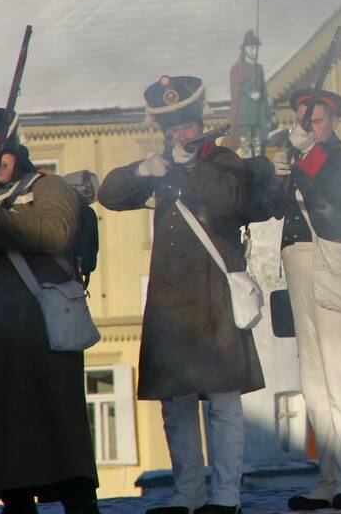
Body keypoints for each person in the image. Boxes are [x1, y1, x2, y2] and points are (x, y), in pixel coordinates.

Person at [98, 75, 264, 514]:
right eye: (171, 129)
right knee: (176, 404)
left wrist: (192, 166)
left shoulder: (224, 160)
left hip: (214, 295)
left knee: (224, 401)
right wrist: (142, 170)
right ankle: (188, 492)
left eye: (185, 127)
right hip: (171, 300)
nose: (179, 135)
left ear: (198, 122)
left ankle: (226, 494)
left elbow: (229, 202)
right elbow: (109, 196)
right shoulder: (163, 164)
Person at [0, 107, 99, 513]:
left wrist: (3, 222)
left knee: (61, 441)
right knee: (8, 450)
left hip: (43, 333)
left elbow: (55, 234)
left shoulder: (49, 188)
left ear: (15, 150)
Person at [272, 88, 341, 511]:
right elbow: (270, 209)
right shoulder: (296, 161)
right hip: (297, 264)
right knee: (314, 382)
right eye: (301, 119)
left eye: (313, 120)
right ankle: (329, 478)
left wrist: (309, 154)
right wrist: (277, 175)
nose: (305, 126)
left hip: (334, 263)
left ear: (332, 122)